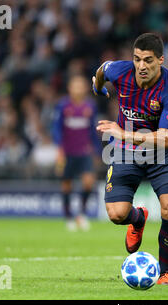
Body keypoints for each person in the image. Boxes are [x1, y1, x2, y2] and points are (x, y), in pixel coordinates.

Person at [92, 33, 168, 285]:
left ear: (161, 60)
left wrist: (123, 133)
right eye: (137, 59)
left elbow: (167, 137)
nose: (141, 66)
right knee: (116, 214)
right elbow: (102, 69)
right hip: (127, 151)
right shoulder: (120, 71)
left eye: (148, 60)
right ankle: (138, 218)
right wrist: (98, 86)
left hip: (161, 152)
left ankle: (165, 273)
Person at [52, 75, 101, 231]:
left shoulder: (90, 107)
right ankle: (68, 217)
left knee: (88, 182)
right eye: (75, 85)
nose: (78, 88)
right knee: (67, 185)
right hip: (67, 152)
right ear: (70, 88)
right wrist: (59, 149)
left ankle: (81, 214)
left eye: (81, 85)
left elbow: (93, 131)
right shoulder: (63, 106)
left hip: (84, 151)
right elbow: (56, 128)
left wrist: (97, 151)